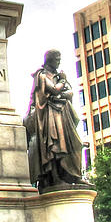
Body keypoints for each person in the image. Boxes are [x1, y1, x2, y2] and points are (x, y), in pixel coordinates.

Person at [24, 49, 83, 192]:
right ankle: (56, 178)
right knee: (55, 147)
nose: (59, 62)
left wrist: (61, 90)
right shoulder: (41, 75)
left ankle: (75, 176)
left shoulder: (57, 75)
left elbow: (69, 92)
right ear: (49, 60)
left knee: (76, 144)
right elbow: (54, 90)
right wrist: (62, 82)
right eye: (57, 59)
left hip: (64, 114)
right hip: (49, 116)